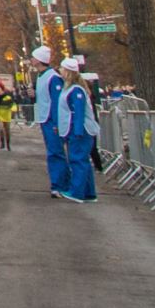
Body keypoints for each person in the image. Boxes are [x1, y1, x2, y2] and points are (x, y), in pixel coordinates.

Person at [54, 55, 99, 200]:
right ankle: (89, 193)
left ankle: (77, 192)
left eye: (62, 68)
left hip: (79, 130)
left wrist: (77, 131)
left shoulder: (75, 90)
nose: (60, 71)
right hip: (75, 129)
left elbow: (78, 112)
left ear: (67, 71)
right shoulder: (72, 89)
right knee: (82, 161)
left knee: (77, 160)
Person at [31, 47, 70, 194]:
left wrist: (57, 123)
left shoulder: (53, 78)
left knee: (56, 152)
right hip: (45, 119)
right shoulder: (41, 76)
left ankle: (59, 185)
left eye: (34, 57)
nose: (31, 60)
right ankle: (60, 183)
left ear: (40, 60)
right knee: (52, 152)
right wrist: (34, 95)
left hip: (51, 121)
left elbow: (56, 102)